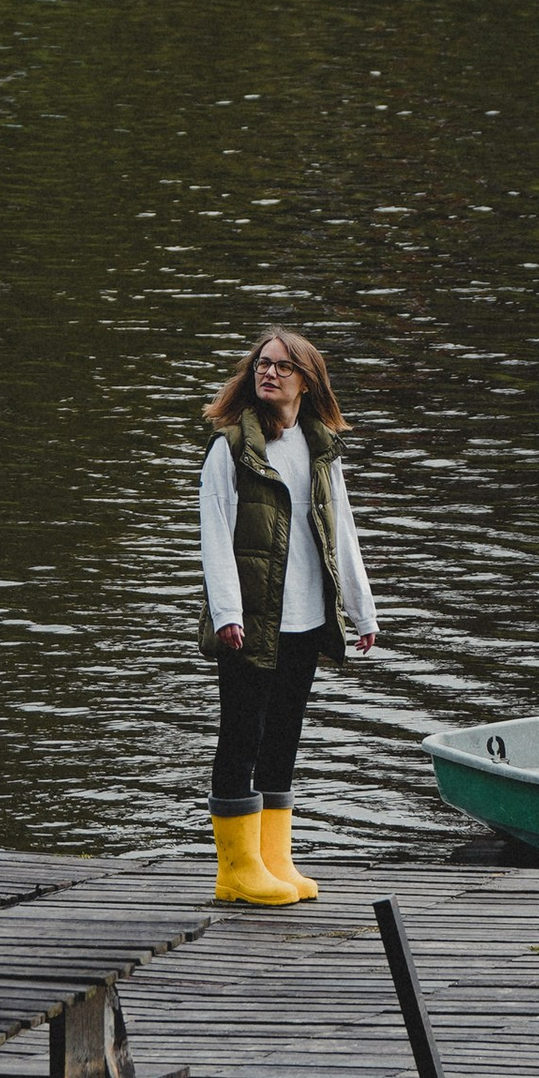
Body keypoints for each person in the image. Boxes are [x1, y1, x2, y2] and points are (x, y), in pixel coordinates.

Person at [197, 325, 377, 905]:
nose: (268, 373)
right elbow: (215, 536)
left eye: (281, 366)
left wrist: (360, 610)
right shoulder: (230, 447)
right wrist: (227, 612)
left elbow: (342, 532)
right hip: (250, 622)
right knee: (240, 737)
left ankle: (275, 860)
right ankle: (237, 871)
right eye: (261, 365)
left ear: (307, 379)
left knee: (284, 738)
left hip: (305, 619)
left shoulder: (320, 448)